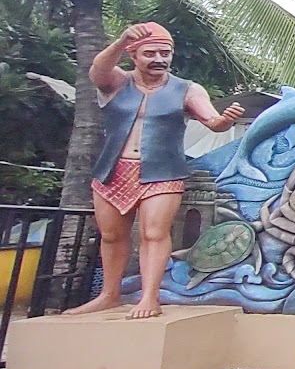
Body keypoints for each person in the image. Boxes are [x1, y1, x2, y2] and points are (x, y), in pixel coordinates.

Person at [66, 23, 245, 319]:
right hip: (114, 169)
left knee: (154, 232)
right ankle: (109, 294)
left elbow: (213, 122)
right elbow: (97, 70)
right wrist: (121, 38)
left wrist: (225, 121)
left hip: (162, 171)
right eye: (150, 53)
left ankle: (150, 296)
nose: (159, 58)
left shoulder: (186, 89)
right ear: (132, 55)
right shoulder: (116, 82)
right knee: (111, 235)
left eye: (165, 52)